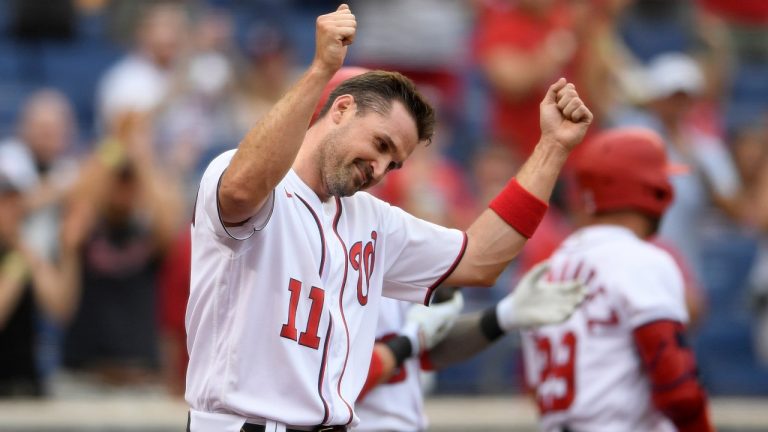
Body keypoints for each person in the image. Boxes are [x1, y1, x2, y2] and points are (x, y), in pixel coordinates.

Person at [185, 4, 592, 431]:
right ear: (340, 111)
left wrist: (551, 149)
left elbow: (480, 260)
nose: (380, 169)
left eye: (393, 163)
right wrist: (320, 70)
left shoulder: (374, 219)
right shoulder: (249, 180)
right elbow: (241, 189)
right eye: (380, 144)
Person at [519, 128, 714, 432]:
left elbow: (534, 388)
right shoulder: (642, 259)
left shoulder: (548, 269)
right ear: (654, 189)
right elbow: (679, 390)